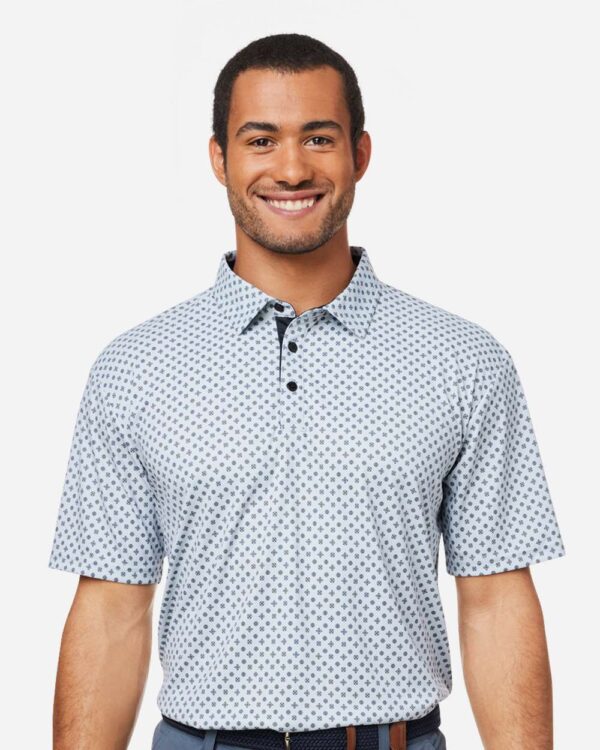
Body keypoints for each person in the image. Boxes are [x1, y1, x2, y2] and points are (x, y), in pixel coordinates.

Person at [48, 33, 566, 750]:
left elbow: (496, 599)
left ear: (360, 154)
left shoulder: (463, 362)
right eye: (260, 140)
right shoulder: (136, 368)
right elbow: (111, 609)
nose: (291, 169)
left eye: (319, 138)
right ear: (219, 159)